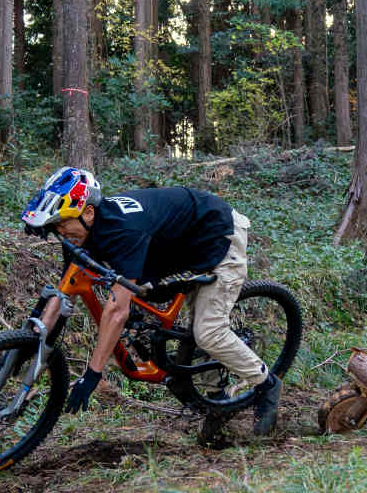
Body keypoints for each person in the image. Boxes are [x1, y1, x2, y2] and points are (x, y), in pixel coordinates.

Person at [19, 166, 282, 436]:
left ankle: (266, 383)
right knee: (150, 296)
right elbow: (64, 291)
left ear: (88, 212)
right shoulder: (78, 233)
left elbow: (116, 311)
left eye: (63, 223)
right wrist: (33, 339)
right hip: (176, 244)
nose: (61, 232)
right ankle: (218, 398)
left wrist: (94, 373)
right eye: (56, 227)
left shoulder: (122, 231)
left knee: (208, 331)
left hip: (217, 234)